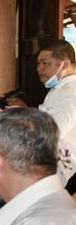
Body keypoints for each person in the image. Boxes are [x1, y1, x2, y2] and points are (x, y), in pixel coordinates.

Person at [36, 39, 76, 183]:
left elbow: (52, 131)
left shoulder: (71, 91)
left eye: (45, 63)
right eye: (38, 63)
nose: (39, 68)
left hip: (66, 171)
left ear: (65, 64)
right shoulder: (59, 89)